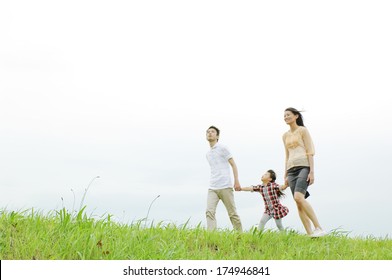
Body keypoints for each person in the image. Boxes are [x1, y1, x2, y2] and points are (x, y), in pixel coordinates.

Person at [283, 107, 326, 237]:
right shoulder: (284, 135)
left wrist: (312, 171)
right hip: (291, 169)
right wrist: (285, 173)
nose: (286, 117)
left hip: (303, 166)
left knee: (299, 197)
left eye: (288, 115)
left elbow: (310, 151)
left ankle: (319, 228)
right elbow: (286, 154)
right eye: (284, 116)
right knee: (298, 203)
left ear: (296, 116)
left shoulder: (303, 130)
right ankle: (310, 234)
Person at [205, 125, 242, 232]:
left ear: (217, 136)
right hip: (212, 187)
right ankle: (211, 236)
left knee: (232, 213)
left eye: (212, 132)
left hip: (225, 186)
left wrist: (236, 180)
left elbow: (233, 164)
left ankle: (240, 235)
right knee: (209, 212)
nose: (209, 133)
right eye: (208, 132)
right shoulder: (208, 154)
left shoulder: (223, 148)